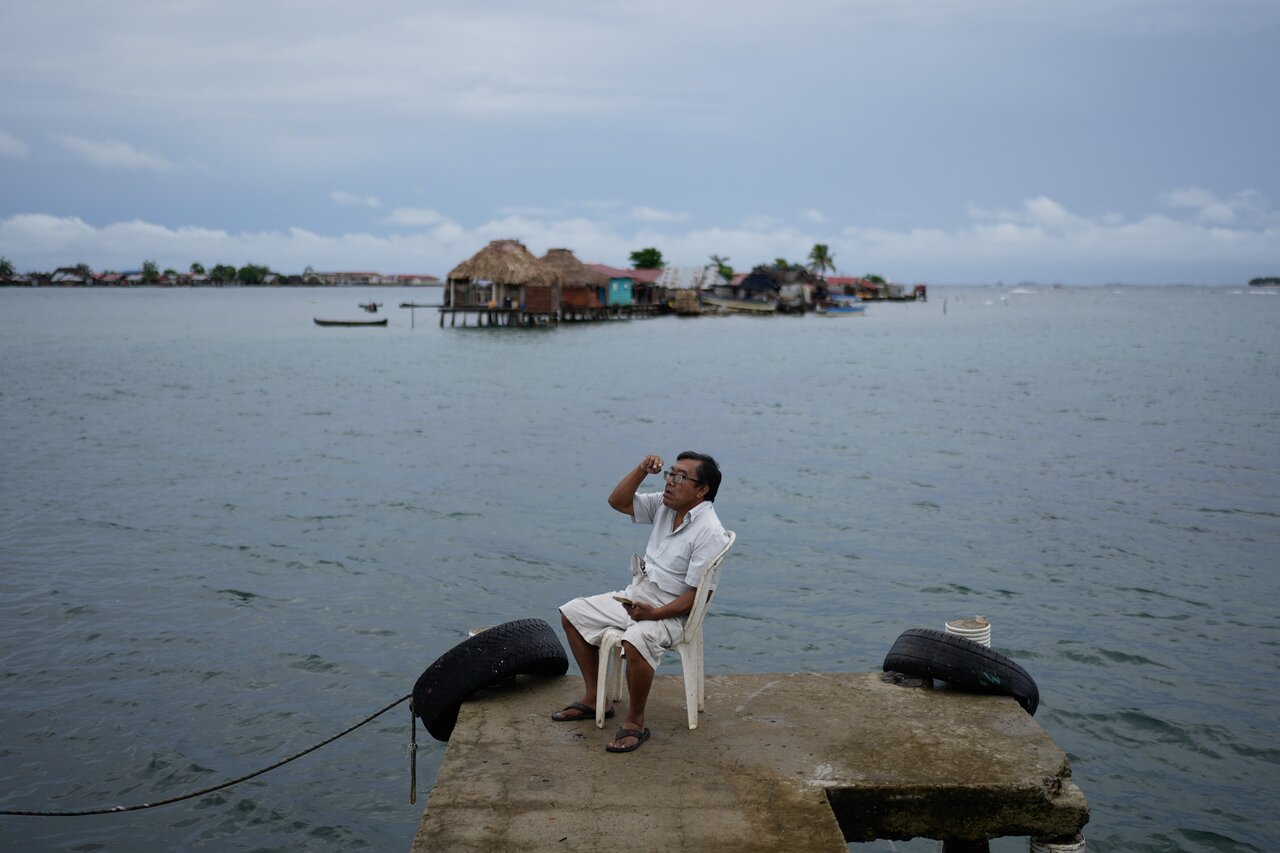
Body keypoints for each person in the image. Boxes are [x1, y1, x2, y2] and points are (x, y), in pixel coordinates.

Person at [555, 451, 728, 752]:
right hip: (638, 599)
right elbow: (617, 502)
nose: (671, 482)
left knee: (635, 639)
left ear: (702, 491)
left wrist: (654, 614)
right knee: (572, 613)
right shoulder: (666, 504)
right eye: (670, 474)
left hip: (674, 614)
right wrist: (641, 470)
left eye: (681, 477)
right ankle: (595, 697)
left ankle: (635, 721)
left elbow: (697, 596)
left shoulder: (709, 531)